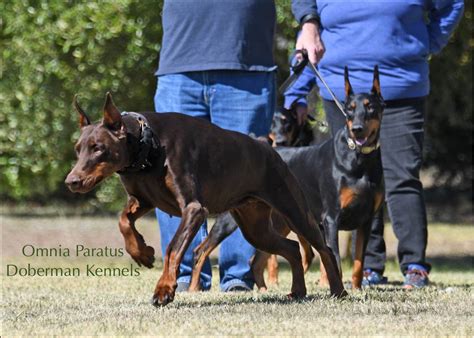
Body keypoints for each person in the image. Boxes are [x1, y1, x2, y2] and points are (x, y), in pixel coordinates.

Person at [288, 0, 464, 288]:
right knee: (352, 183)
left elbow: (453, 3)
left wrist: (427, 42)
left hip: (401, 84)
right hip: (340, 93)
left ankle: (414, 267)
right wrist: (297, 87)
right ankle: (368, 268)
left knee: (401, 176)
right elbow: (307, 16)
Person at [153, 0, 277, 292]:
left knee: (245, 175)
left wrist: (309, 21)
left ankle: (238, 276)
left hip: (246, 65)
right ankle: (181, 274)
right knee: (171, 176)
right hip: (179, 66)